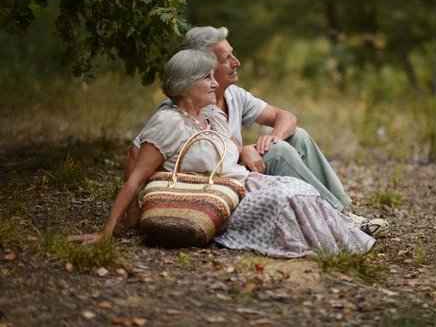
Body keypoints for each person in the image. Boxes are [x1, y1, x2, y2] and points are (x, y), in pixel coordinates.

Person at [70, 49, 375, 257]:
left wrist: (251, 151)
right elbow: (135, 179)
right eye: (207, 78)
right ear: (187, 84)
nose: (216, 83)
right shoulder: (168, 123)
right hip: (210, 199)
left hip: (239, 186)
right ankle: (331, 244)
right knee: (289, 195)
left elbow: (234, 153)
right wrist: (106, 231)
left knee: (299, 187)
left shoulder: (212, 115)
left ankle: (344, 239)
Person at [124, 26, 389, 236]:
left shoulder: (233, 95)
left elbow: (286, 117)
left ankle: (340, 210)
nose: (236, 62)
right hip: (214, 182)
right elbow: (136, 151)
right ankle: (337, 219)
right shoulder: (184, 104)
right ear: (203, 65)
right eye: (227, 58)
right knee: (280, 152)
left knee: (297, 137)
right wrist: (134, 209)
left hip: (237, 166)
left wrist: (271, 137)